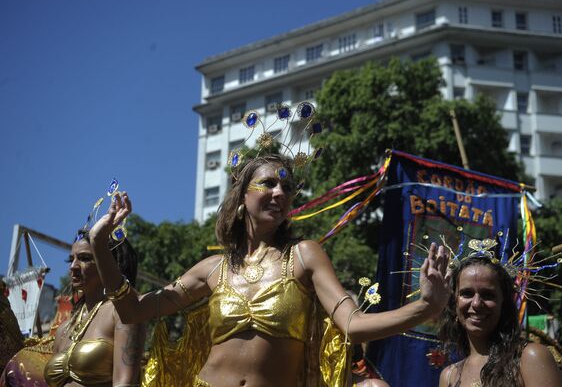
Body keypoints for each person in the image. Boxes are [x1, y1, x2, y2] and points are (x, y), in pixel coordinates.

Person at [89, 154, 451, 387]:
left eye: (287, 187)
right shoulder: (212, 269)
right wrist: (100, 245)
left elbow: (353, 326)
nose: (280, 192)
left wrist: (424, 308)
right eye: (269, 183)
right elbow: (133, 310)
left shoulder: (305, 256)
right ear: (242, 194)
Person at [438, 255, 562, 387]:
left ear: (503, 303)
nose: (476, 303)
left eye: (488, 295)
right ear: (454, 303)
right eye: (467, 293)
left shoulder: (530, 357)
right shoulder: (448, 376)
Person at [43, 230, 146, 387]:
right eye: (71, 259)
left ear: (110, 263)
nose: (73, 266)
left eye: (84, 258)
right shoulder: (63, 329)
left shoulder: (123, 311)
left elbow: (124, 383)